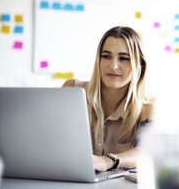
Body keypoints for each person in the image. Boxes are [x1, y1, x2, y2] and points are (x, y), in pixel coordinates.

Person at [63, 26, 154, 172]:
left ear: (140, 65)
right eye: (106, 56)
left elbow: (145, 152)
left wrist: (107, 161)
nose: (114, 66)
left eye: (123, 58)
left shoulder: (147, 107)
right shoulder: (72, 90)